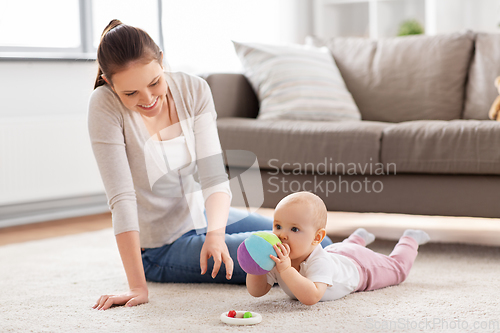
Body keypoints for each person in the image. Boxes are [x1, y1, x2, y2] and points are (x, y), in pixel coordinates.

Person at [88, 19, 333, 311]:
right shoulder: (103, 106)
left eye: (154, 82)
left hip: (202, 217)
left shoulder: (194, 90)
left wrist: (215, 235)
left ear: (162, 61)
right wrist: (137, 287)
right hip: (159, 247)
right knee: (282, 254)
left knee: (317, 243)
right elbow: (122, 199)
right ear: (108, 83)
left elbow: (213, 175)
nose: (149, 98)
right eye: (131, 93)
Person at [246, 191, 430, 305]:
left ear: (317, 238)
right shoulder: (277, 258)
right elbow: (257, 291)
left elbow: (311, 297)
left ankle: (410, 239)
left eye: (294, 229)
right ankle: (359, 237)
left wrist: (286, 270)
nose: (282, 235)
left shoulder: (317, 261)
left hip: (359, 265)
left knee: (398, 269)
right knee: (343, 248)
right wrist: (255, 265)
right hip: (336, 252)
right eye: (278, 226)